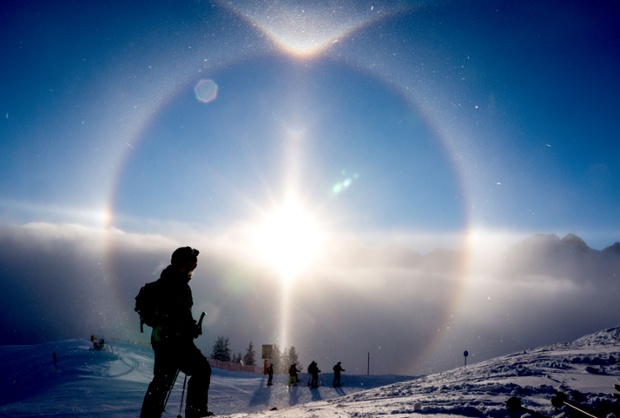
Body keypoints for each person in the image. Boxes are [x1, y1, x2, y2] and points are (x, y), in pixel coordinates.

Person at [140, 247, 213, 418]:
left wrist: (191, 326)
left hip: (173, 341)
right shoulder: (169, 284)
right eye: (187, 266)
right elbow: (170, 316)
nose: (190, 271)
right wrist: (186, 327)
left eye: (193, 267)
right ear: (177, 264)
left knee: (163, 380)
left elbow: (182, 316)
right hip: (169, 341)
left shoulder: (182, 287)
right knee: (197, 371)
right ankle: (195, 413)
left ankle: (152, 416)